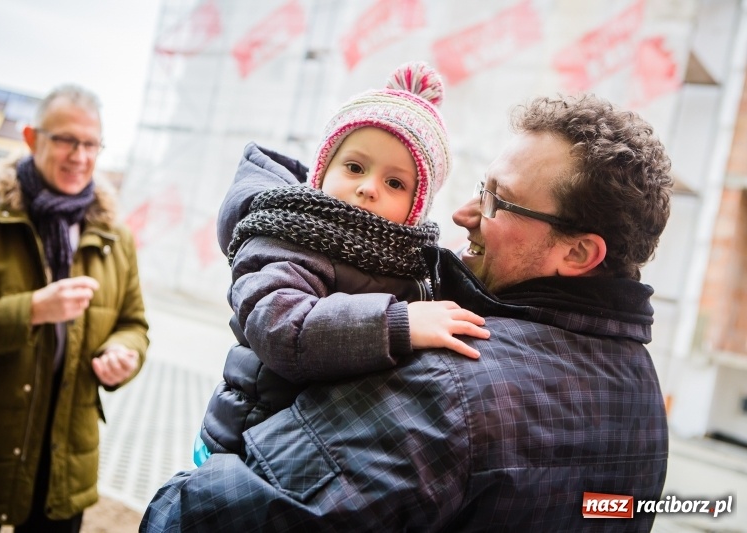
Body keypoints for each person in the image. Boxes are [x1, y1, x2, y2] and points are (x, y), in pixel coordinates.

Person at [143, 92, 671, 532]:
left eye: (497, 201)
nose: (464, 215)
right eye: (478, 189)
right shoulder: (645, 402)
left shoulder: (452, 382)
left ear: (578, 253)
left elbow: (195, 520)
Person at [193, 62, 489, 466]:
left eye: (395, 182)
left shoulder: (407, 258)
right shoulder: (290, 234)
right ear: (323, 169)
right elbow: (281, 326)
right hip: (250, 443)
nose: (368, 188)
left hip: (319, 444)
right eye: (354, 167)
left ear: (416, 207)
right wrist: (398, 323)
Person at [0, 84, 149, 532]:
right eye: (65, 140)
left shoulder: (117, 235)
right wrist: (33, 309)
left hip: (64, 453)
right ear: (31, 137)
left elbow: (133, 323)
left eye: (90, 143)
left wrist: (123, 353)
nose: (79, 155)